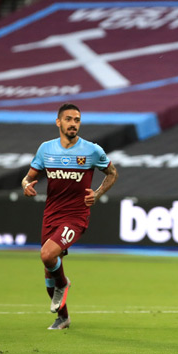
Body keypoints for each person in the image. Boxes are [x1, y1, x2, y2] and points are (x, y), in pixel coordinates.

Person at [21, 103, 118, 330]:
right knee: (49, 269)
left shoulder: (92, 150)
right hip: (51, 215)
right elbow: (27, 177)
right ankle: (63, 317)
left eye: (76, 120)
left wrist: (98, 193)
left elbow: (112, 173)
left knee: (47, 255)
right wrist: (26, 185)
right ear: (58, 122)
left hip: (75, 216)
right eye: (68, 119)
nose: (73, 123)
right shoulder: (46, 149)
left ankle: (63, 284)